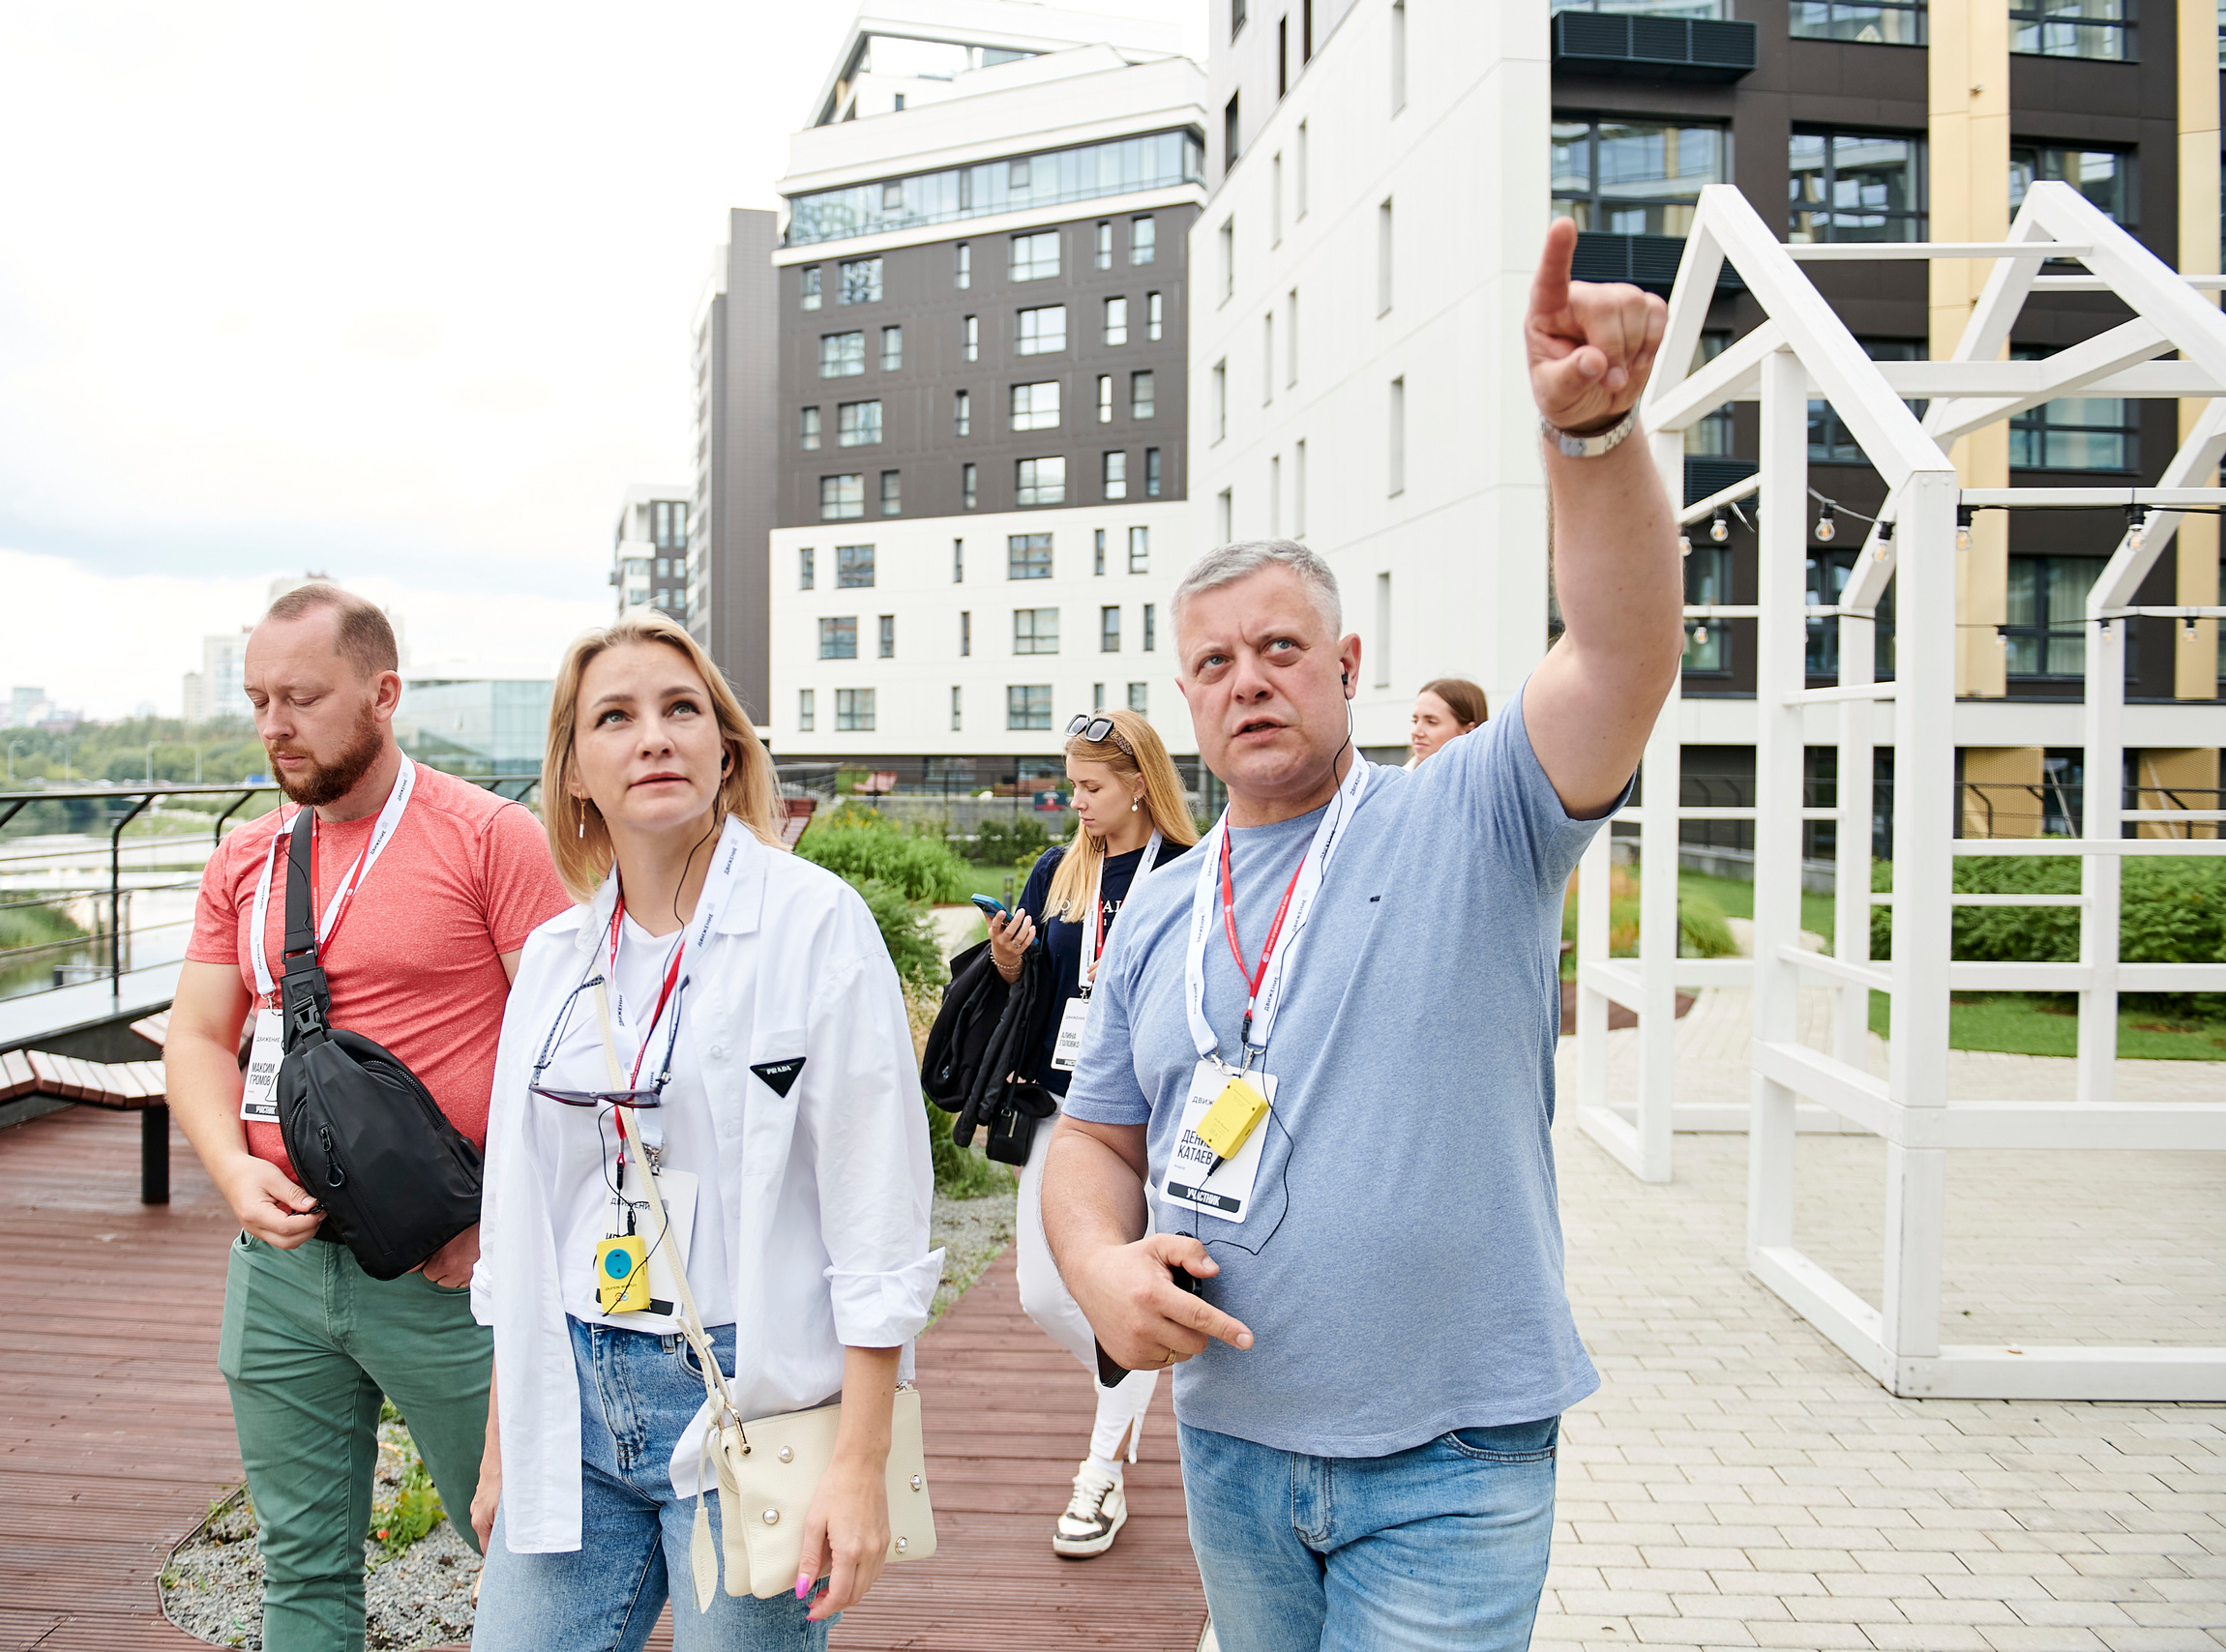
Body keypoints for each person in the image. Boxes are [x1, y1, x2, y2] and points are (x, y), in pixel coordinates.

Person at [1040, 218, 1678, 1652]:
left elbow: (1622, 654)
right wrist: (1097, 1265)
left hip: (1454, 1457)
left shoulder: (1476, 815)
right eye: (1214, 662)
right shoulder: (1160, 906)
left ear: (1346, 667)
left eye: (1281, 650)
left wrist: (1595, 440)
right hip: (1237, 1443)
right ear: (1185, 703)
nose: (1248, 681)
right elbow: (1094, 1139)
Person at [467, 612, 940, 1652]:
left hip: (742, 1400)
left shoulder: (814, 924)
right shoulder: (556, 958)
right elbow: (521, 1216)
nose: (654, 736)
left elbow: (877, 1210)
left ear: (725, 750)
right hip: (577, 1388)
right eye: (616, 716)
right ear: (576, 769)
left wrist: (858, 1462)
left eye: (682, 709)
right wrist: (509, 1440)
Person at [163, 583, 570, 1652]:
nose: (272, 726)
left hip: (451, 1272)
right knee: (298, 1567)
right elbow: (198, 1038)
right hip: (282, 1268)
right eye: (256, 699)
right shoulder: (246, 858)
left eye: (300, 697)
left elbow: (572, 1060)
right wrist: (230, 1171)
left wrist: (504, 1231)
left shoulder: (490, 838)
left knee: (531, 1552)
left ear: (384, 693)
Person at [980, 708, 1199, 1557]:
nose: (1075, 802)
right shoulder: (1057, 870)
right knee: (1045, 1291)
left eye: (1090, 786)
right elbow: (1021, 984)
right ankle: (1144, 1367)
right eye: (1070, 785)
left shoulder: (1187, 869)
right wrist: (1007, 953)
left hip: (1154, 1117)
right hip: (1062, 1109)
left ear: (1140, 784)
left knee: (1120, 1288)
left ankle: (1100, 1476)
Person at [1410, 677, 1489, 767]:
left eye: (1431, 722)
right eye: (1415, 721)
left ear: (1469, 731)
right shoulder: (1399, 778)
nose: (1415, 732)